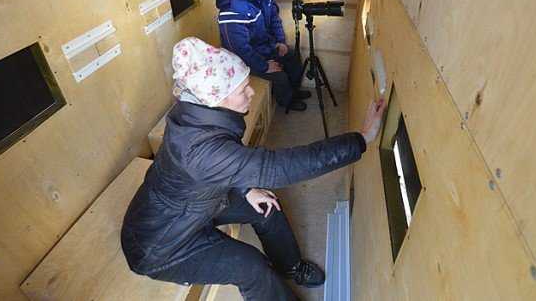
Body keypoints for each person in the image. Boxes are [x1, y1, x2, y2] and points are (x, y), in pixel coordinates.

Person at [121, 37, 385, 301]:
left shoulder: (194, 111)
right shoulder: (202, 151)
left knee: (267, 207)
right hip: (161, 245)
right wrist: (361, 139)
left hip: (193, 206)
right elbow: (282, 166)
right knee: (252, 268)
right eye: (242, 89)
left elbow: (221, 166)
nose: (251, 93)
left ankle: (291, 267)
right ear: (217, 98)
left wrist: (246, 189)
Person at [216, 0, 309, 111]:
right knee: (279, 76)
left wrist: (280, 41)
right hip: (243, 59)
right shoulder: (233, 8)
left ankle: (294, 92)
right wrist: (265, 66)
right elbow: (239, 49)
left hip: (264, 45)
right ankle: (286, 101)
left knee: (292, 55)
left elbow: (274, 18)